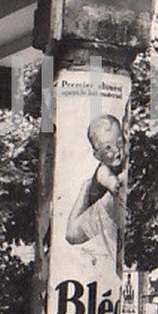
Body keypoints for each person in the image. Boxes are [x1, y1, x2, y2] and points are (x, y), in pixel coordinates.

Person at [64, 114, 128, 278]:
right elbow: (111, 183)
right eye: (108, 148)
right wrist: (116, 186)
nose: (116, 151)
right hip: (93, 202)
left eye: (119, 143)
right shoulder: (103, 171)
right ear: (97, 155)